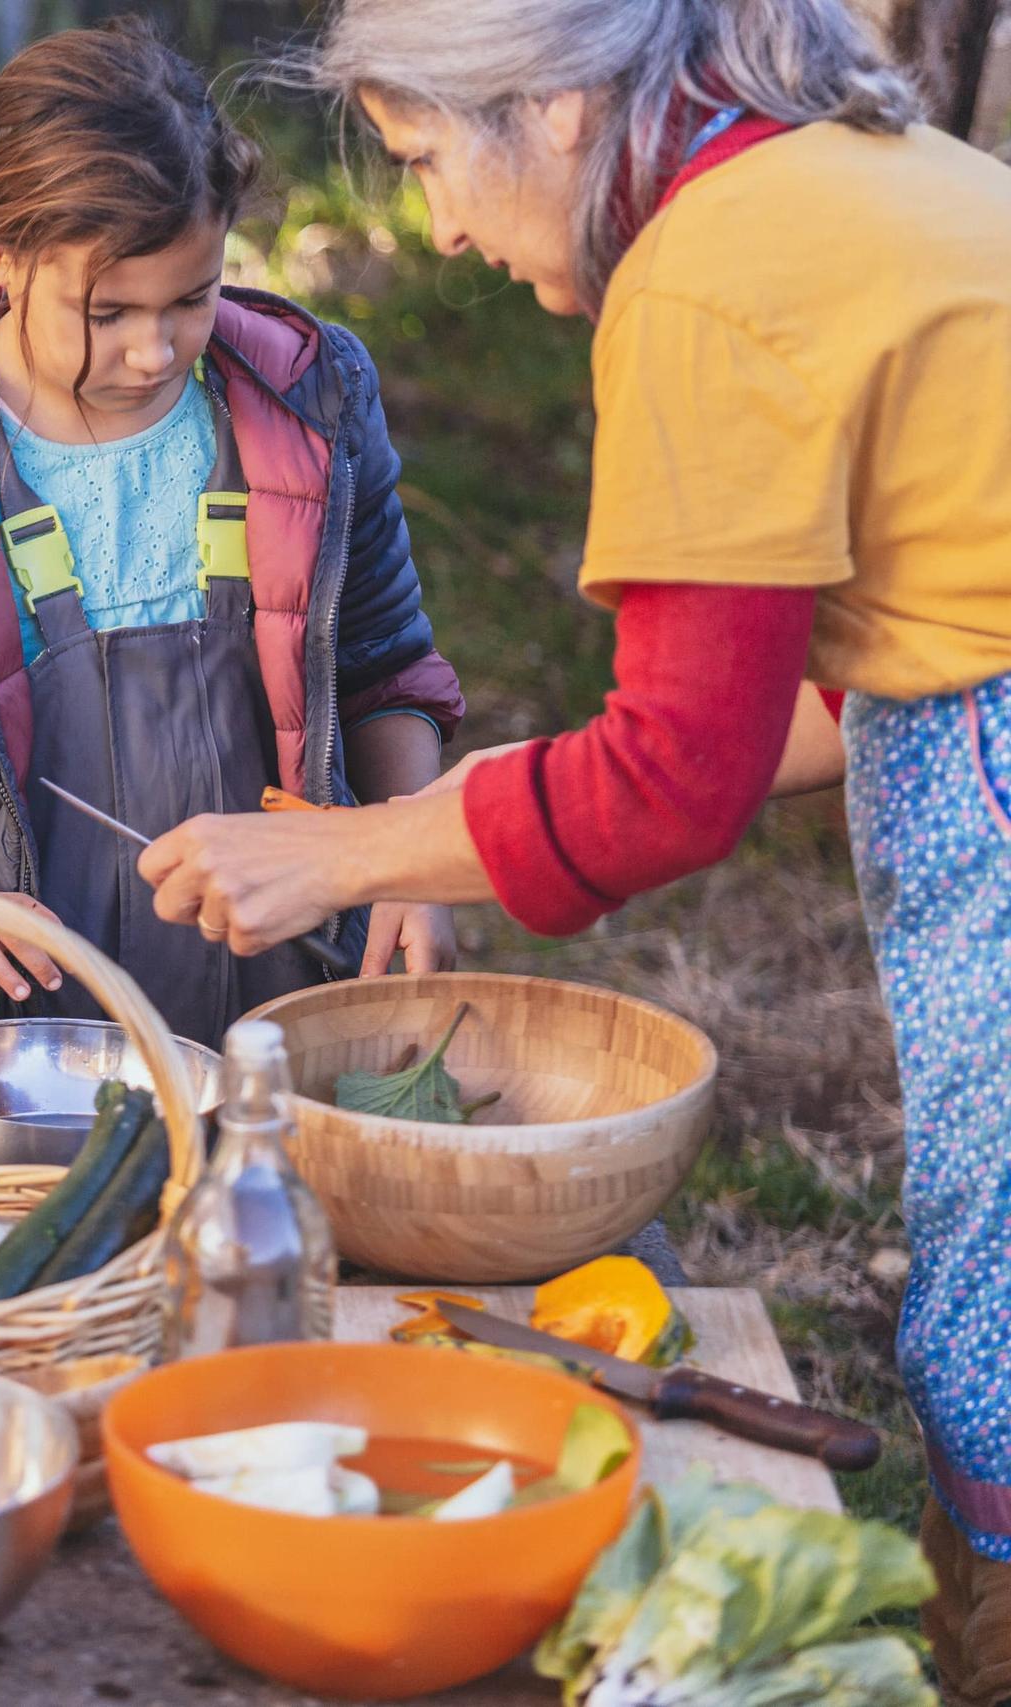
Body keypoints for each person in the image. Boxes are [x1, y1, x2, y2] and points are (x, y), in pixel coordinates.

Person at [136, 2, 1011, 1692]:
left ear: (544, 108)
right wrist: (424, 827)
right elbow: (844, 692)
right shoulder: (847, 176)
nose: (442, 229)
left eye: (423, 161)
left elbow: (675, 781)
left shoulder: (711, 271)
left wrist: (338, 857)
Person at [0, 19, 465, 1047]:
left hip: (271, 1003)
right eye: (107, 310)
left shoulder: (311, 405)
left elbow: (386, 672)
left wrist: (405, 853)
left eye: (191, 298)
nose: (154, 350)